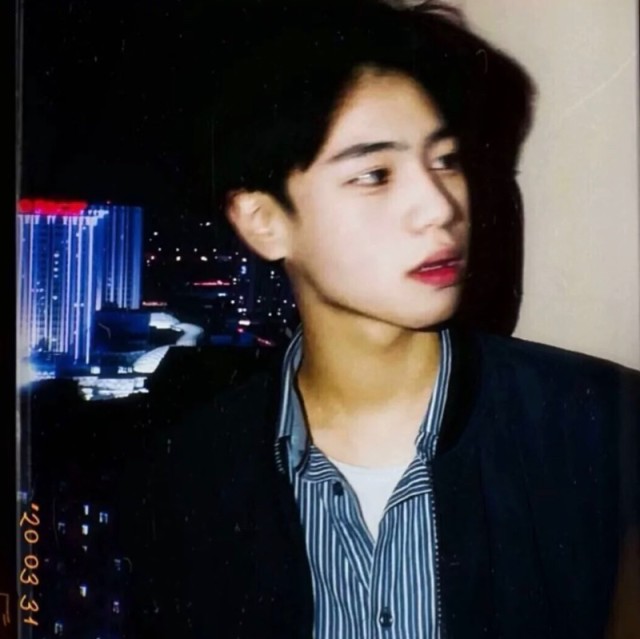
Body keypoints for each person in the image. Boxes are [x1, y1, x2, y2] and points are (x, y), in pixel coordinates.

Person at [118, 1, 640, 637]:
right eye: (375, 174)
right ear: (264, 221)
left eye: (445, 160)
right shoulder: (191, 477)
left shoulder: (601, 426)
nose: (439, 207)